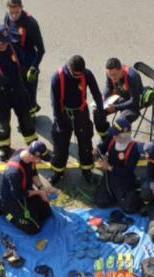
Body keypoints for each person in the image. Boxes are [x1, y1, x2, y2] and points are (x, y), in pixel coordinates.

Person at [0, 24, 37, 162]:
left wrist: (24, 69)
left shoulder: (12, 47)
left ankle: (32, 145)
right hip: (0, 93)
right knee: (2, 122)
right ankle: (4, 149)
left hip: (17, 89)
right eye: (0, 43)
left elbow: (21, 60)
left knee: (25, 117)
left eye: (5, 42)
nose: (3, 45)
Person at [47, 55, 105, 186]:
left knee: (85, 143)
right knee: (60, 145)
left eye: (81, 74)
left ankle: (87, 171)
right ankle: (58, 171)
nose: (79, 76)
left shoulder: (87, 74)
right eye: (76, 74)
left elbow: (96, 92)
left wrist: (101, 110)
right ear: (69, 68)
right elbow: (55, 102)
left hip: (81, 112)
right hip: (63, 113)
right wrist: (59, 122)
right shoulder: (58, 77)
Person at [0, 141, 55, 235]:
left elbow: (34, 173)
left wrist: (41, 187)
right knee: (34, 229)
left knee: (47, 213)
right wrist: (39, 193)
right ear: (33, 156)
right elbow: (18, 194)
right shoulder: (14, 172)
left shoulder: (27, 156)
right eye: (40, 159)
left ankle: (15, 210)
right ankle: (4, 209)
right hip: (14, 198)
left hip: (25, 191)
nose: (41, 161)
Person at [4, 0, 45, 116]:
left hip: (28, 65)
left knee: (30, 94)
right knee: (18, 93)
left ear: (22, 7)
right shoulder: (7, 17)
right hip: (14, 62)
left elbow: (41, 50)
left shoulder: (31, 24)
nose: (14, 15)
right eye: (11, 12)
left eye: (17, 12)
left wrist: (33, 67)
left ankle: (31, 118)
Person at [94, 116, 142, 213]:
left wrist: (109, 167)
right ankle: (117, 197)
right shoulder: (113, 137)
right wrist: (97, 151)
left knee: (129, 208)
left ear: (127, 133)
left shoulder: (134, 148)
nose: (114, 137)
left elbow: (127, 171)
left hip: (123, 181)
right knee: (100, 202)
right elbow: (102, 147)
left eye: (117, 135)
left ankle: (136, 193)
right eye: (114, 134)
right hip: (109, 178)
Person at [103, 58, 144, 122]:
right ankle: (105, 131)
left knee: (120, 123)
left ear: (121, 70)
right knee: (97, 112)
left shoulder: (132, 77)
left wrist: (116, 107)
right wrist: (104, 98)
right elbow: (108, 87)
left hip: (132, 104)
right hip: (120, 97)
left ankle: (120, 131)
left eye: (115, 75)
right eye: (110, 75)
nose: (112, 78)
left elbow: (135, 101)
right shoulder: (110, 72)